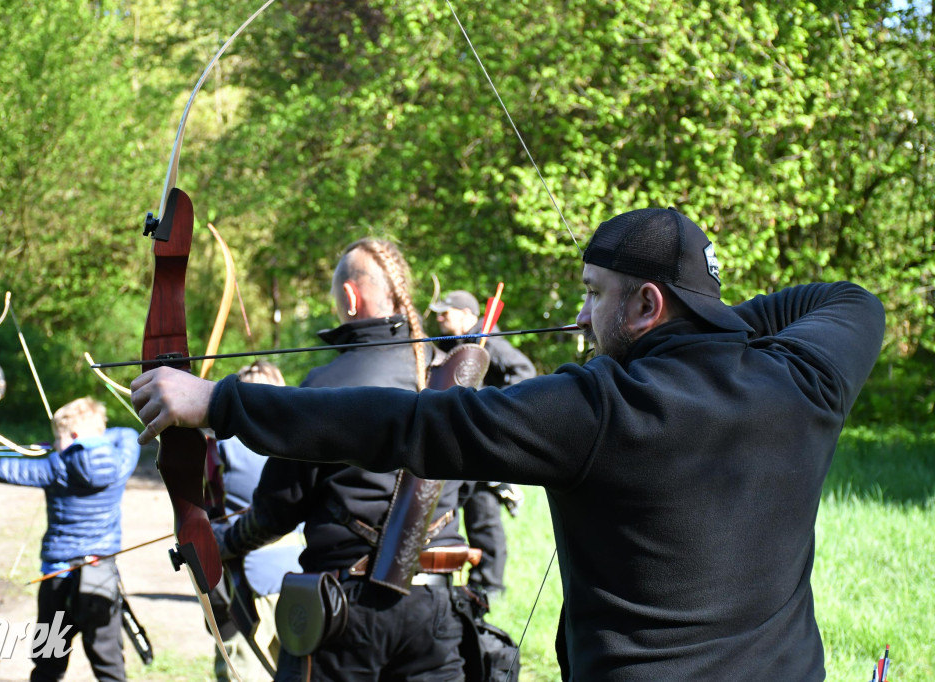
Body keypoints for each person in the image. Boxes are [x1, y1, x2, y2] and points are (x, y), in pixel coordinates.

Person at [131, 207, 886, 681]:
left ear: (648, 304)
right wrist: (706, 325)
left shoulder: (600, 408)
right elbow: (850, 301)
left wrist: (214, 401)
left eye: (595, 294)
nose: (585, 318)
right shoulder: (807, 382)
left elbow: (409, 425)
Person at [211, 239, 469, 681]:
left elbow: (277, 509)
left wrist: (225, 542)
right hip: (438, 608)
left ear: (350, 297)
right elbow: (469, 487)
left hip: (347, 609)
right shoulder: (458, 378)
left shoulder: (326, 385)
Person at [0, 397, 140, 682]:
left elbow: (3, 469)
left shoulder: (57, 467)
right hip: (101, 574)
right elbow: (127, 433)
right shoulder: (122, 459)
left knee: (48, 665)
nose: (55, 445)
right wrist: (93, 440)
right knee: (110, 668)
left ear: (75, 436)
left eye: (59, 438)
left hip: (58, 577)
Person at [430, 289, 534, 601]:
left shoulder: (491, 343)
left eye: (445, 313)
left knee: (483, 513)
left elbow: (524, 372)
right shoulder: (452, 345)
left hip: (482, 440)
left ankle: (490, 585)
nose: (439, 318)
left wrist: (492, 406)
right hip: (459, 442)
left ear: (465, 314)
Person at [211, 360, 303, 682]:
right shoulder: (303, 440)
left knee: (243, 669)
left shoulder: (226, 447)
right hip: (303, 576)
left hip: (247, 578)